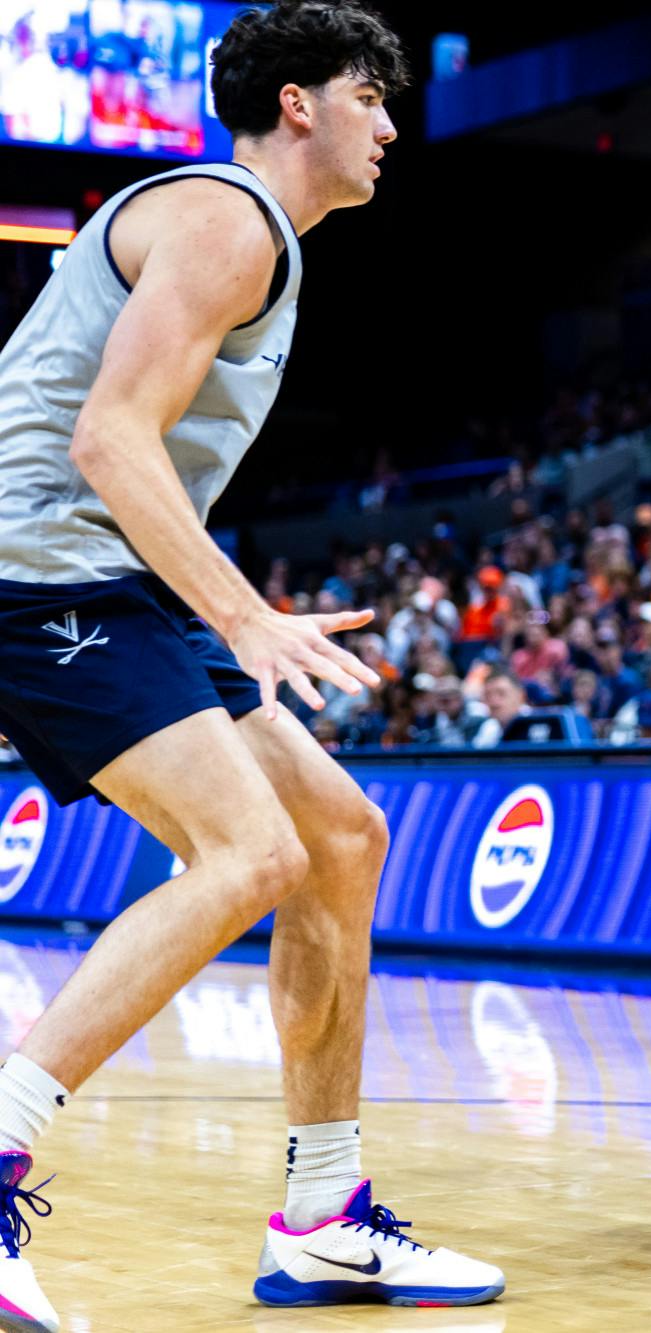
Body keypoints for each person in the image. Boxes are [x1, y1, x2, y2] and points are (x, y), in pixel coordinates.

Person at [0, 3, 502, 1321]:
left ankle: (326, 1221)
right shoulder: (231, 219)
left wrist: (221, 603)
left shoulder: (250, 234)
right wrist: (242, 616)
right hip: (38, 572)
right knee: (249, 855)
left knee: (338, 834)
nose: (391, 126)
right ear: (298, 104)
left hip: (107, 574)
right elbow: (112, 438)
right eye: (370, 97)